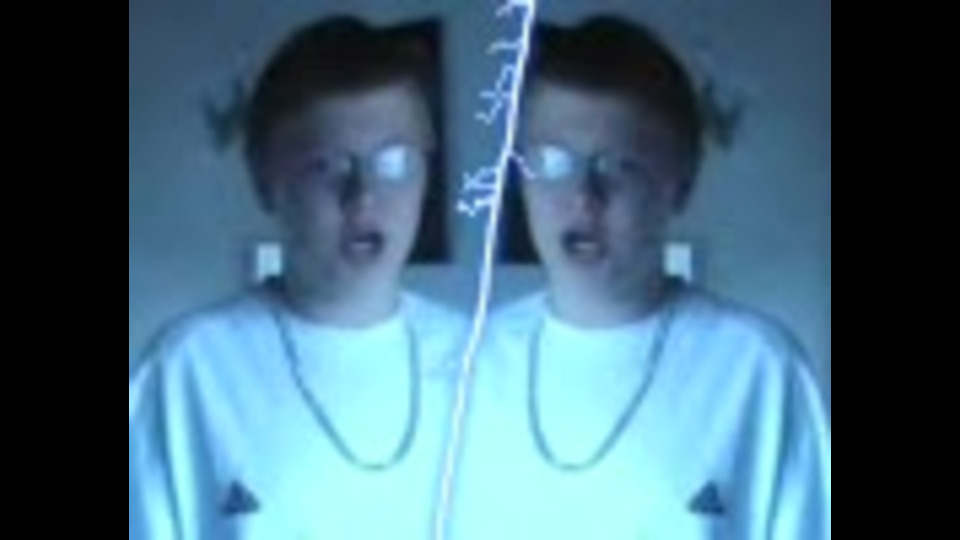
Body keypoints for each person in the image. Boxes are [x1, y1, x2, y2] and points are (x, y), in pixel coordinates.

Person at [451, 17, 831, 539]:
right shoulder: (465, 369)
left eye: (618, 166)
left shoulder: (759, 368)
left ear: (680, 187)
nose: (583, 197)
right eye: (554, 162)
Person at [129, 17, 467, 539]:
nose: (364, 196)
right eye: (327, 166)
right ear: (265, 183)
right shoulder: (187, 369)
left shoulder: (483, 363)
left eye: (395, 161)